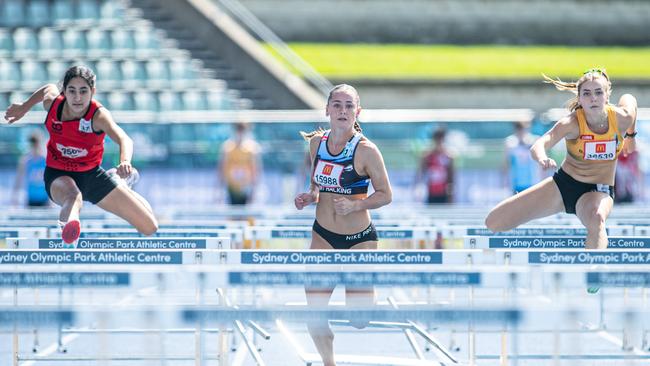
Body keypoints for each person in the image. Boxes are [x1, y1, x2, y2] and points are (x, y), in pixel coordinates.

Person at [4, 65, 158, 245]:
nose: (77, 98)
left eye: (83, 91)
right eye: (72, 91)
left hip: (92, 176)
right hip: (57, 174)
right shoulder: (53, 105)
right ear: (64, 91)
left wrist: (125, 161)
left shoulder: (99, 116)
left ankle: (119, 183)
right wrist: (24, 107)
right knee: (73, 196)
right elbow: (47, 88)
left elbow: (125, 139)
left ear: (92, 91)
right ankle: (70, 228)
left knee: (149, 227)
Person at [294, 84, 392, 366]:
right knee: (314, 313)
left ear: (357, 112)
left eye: (349, 106)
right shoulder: (316, 144)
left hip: (359, 238)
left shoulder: (367, 151)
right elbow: (317, 182)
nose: (342, 111)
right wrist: (310, 196)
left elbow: (386, 195)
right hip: (323, 236)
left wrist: (357, 205)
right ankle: (329, 363)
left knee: (359, 319)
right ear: (327, 110)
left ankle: (366, 287)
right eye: (337, 105)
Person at [485, 68, 637, 250]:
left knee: (596, 219)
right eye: (587, 93)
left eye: (598, 92)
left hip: (598, 190)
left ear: (607, 96)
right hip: (563, 185)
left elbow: (630, 100)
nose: (593, 98)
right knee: (493, 222)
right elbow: (539, 144)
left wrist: (630, 136)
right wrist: (542, 158)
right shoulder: (571, 123)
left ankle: (594, 273)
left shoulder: (621, 118)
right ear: (579, 98)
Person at [219, 121, 261, 205]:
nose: (240, 133)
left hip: (246, 187)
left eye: (242, 130)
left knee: (246, 215)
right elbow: (221, 168)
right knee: (233, 214)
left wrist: (254, 190)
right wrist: (219, 189)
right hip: (231, 187)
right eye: (238, 130)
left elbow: (255, 170)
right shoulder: (227, 147)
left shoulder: (252, 148)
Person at [416, 127, 454, 203]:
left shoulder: (448, 156)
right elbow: (421, 172)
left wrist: (451, 195)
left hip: (443, 193)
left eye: (441, 139)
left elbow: (451, 177)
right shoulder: (428, 156)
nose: (439, 142)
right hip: (431, 192)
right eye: (437, 139)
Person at [12, 129, 49, 207]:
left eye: (36, 142)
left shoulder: (46, 160)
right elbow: (18, 180)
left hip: (45, 200)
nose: (35, 145)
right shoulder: (25, 161)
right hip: (31, 199)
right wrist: (15, 197)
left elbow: (50, 180)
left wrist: (51, 200)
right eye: (33, 143)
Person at [503, 120, 540, 194]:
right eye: (519, 128)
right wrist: (506, 180)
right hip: (516, 183)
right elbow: (506, 163)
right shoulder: (510, 142)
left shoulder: (534, 140)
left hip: (532, 183)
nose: (521, 131)